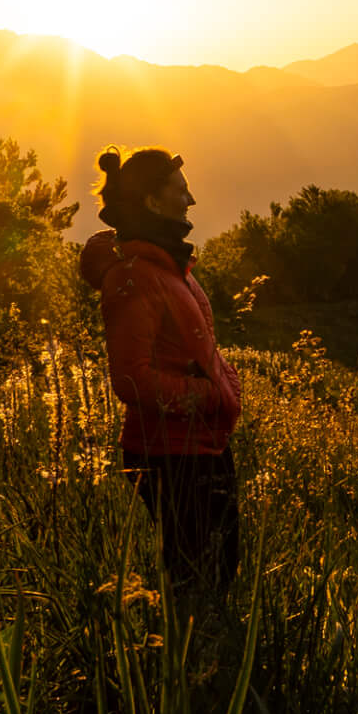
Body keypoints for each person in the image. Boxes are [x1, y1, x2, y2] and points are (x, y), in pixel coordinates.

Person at [78, 146, 244, 595]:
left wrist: (226, 385)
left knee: (217, 578)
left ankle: (195, 659)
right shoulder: (135, 277)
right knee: (199, 586)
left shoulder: (169, 267)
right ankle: (185, 663)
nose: (190, 201)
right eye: (180, 190)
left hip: (201, 445)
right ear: (152, 201)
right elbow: (131, 377)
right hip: (172, 456)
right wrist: (212, 395)